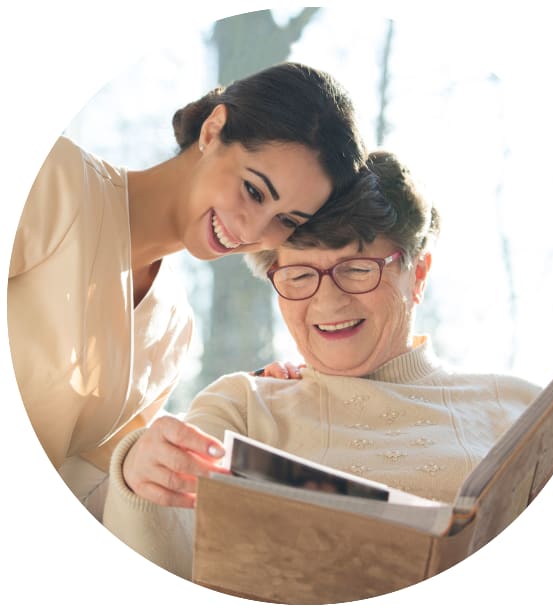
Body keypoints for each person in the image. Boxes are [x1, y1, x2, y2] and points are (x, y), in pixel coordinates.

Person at [102, 150, 541, 580]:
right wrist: (139, 479)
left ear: (418, 273)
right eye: (298, 275)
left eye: (356, 269)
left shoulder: (523, 408)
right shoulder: (242, 406)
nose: (328, 302)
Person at [7, 61, 366, 521]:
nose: (251, 229)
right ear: (214, 131)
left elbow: (90, 498)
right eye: (254, 191)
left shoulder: (173, 329)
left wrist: (249, 416)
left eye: (287, 221)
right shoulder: (49, 181)